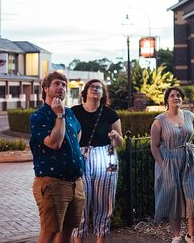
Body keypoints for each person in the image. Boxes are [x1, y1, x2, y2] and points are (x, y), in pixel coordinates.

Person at [29, 71, 85, 243]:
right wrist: (59, 115)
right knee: (49, 233)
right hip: (53, 183)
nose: (61, 87)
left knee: (67, 231)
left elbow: (78, 133)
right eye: (57, 84)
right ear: (46, 88)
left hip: (75, 182)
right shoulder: (39, 116)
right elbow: (54, 143)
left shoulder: (70, 113)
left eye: (63, 84)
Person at [151, 86, 194, 243]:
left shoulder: (189, 115)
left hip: (189, 160)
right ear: (167, 100)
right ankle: (176, 237)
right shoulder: (159, 121)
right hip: (168, 161)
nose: (176, 98)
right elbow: (154, 146)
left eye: (179, 96)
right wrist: (163, 166)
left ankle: (191, 235)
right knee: (173, 198)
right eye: (172, 95)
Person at [71, 79, 123, 243]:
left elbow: (120, 142)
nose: (95, 89)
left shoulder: (110, 114)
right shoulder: (74, 111)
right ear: (85, 91)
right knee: (80, 202)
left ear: (103, 93)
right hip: (81, 157)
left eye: (99, 87)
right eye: (92, 87)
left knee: (105, 202)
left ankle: (101, 239)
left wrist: (115, 136)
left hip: (106, 156)